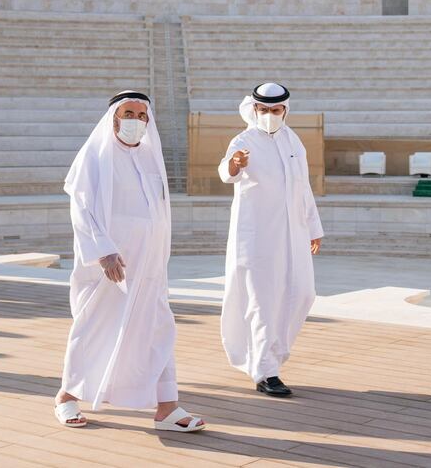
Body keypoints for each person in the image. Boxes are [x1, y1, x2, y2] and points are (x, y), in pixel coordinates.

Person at [54, 90, 205, 432]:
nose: (135, 120)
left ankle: (167, 408)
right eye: (128, 113)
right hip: (109, 268)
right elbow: (81, 207)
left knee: (158, 330)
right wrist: (103, 251)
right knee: (93, 329)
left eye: (141, 115)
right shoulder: (95, 155)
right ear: (114, 118)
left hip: (149, 267)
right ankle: (66, 397)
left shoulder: (152, 158)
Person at [218, 82, 324, 397]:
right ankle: (266, 371)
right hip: (256, 236)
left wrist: (314, 227)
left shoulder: (294, 141)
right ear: (254, 110)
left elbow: (303, 186)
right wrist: (235, 164)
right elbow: (227, 172)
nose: (268, 115)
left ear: (285, 111)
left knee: (302, 293)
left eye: (275, 110)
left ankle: (272, 356)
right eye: (263, 110)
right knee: (262, 301)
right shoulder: (243, 139)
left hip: (293, 232)